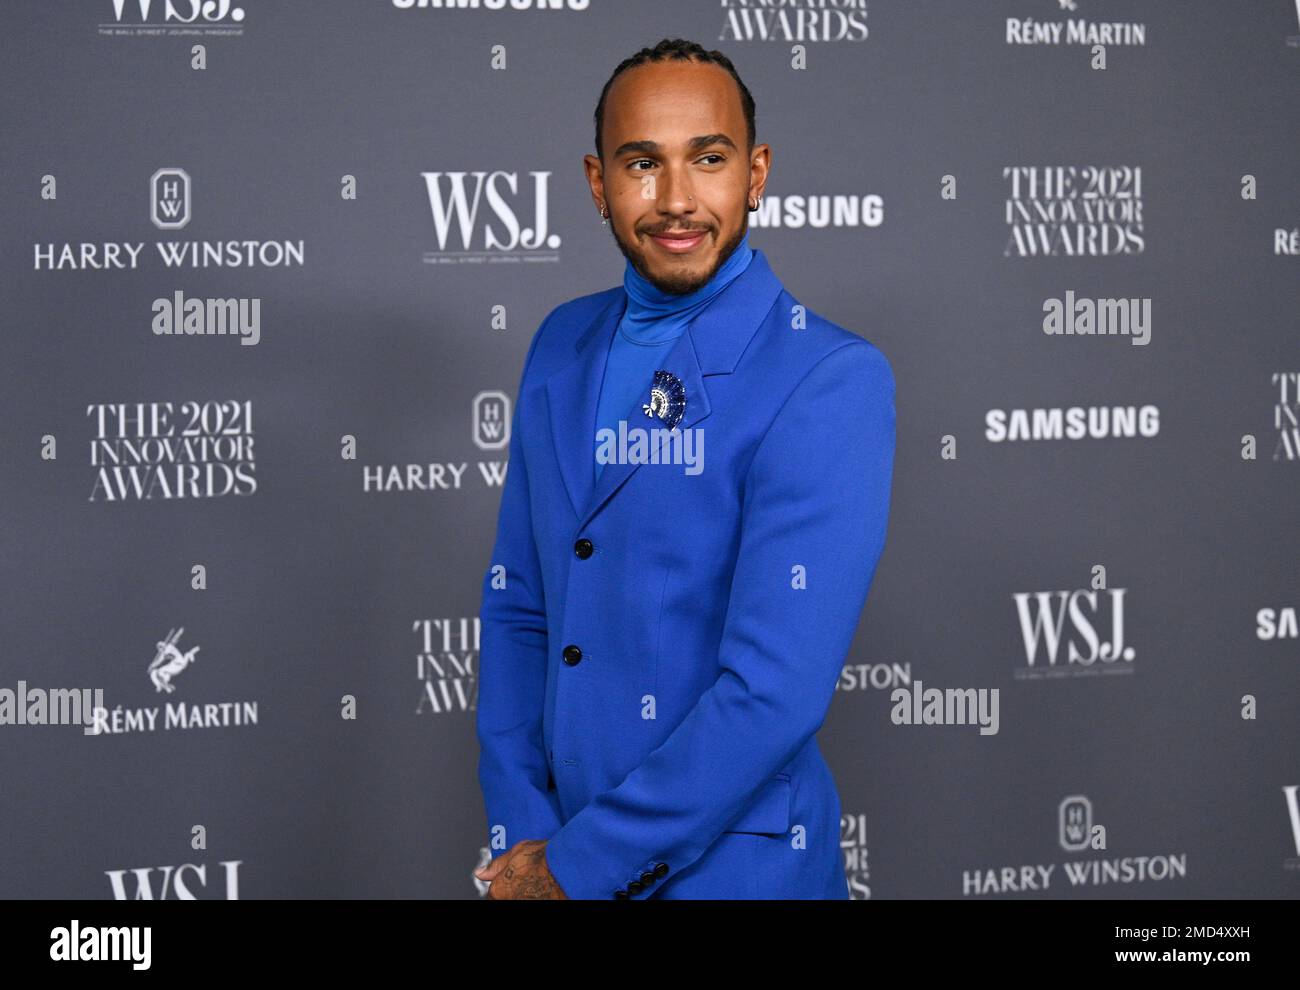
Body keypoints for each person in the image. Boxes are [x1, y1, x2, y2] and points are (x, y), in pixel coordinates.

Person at [474, 37, 895, 900]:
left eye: (708, 158)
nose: (675, 200)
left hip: (732, 874)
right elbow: (521, 610)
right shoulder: (560, 341)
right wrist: (525, 839)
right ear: (597, 183)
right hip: (549, 862)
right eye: (641, 163)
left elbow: (772, 694)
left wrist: (575, 869)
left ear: (757, 171)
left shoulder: (828, 377)